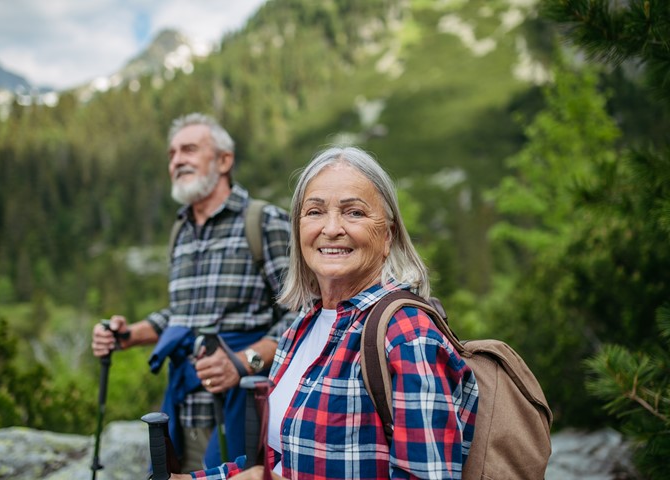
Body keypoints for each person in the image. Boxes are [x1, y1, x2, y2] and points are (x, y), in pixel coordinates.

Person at [175, 145, 479, 479]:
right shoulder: (300, 329)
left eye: (354, 213)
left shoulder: (408, 334)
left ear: (388, 235)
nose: (331, 228)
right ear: (298, 228)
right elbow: (275, 462)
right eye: (315, 212)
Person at [91, 113, 295, 473]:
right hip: (182, 411)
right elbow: (182, 314)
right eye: (171, 153)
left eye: (189, 149)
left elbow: (301, 315)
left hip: (245, 411)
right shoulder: (181, 232)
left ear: (224, 160)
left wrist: (243, 361)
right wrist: (128, 335)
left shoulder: (263, 222)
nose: (176, 160)